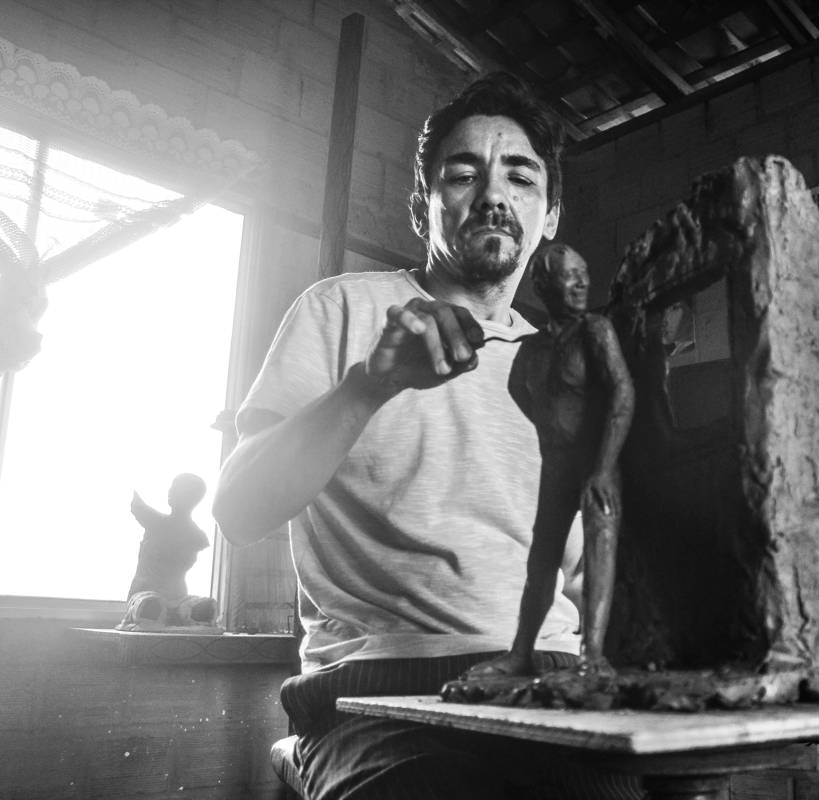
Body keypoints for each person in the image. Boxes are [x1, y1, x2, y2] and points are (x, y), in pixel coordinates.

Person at [213, 73, 642, 800]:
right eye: (463, 174)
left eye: (520, 177)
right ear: (423, 206)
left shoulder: (570, 367)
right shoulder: (342, 308)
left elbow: (584, 572)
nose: (494, 195)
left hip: (551, 684)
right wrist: (368, 386)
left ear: (549, 215)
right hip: (378, 686)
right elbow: (239, 509)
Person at [464, 243, 633, 685]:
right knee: (541, 561)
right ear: (543, 286)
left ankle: (593, 657)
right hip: (556, 470)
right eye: (569, 275)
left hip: (597, 466)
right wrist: (552, 431)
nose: (581, 283)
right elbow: (520, 390)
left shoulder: (595, 330)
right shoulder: (532, 348)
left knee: (598, 554)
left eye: (583, 273)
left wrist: (602, 465)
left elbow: (621, 393)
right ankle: (521, 654)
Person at [120, 473, 216, 629]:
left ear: (192, 498)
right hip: (144, 593)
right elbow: (135, 502)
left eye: (177, 489)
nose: (170, 492)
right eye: (172, 488)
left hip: (177, 596)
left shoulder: (196, 536)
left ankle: (182, 614)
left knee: (199, 608)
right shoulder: (155, 521)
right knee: (149, 607)